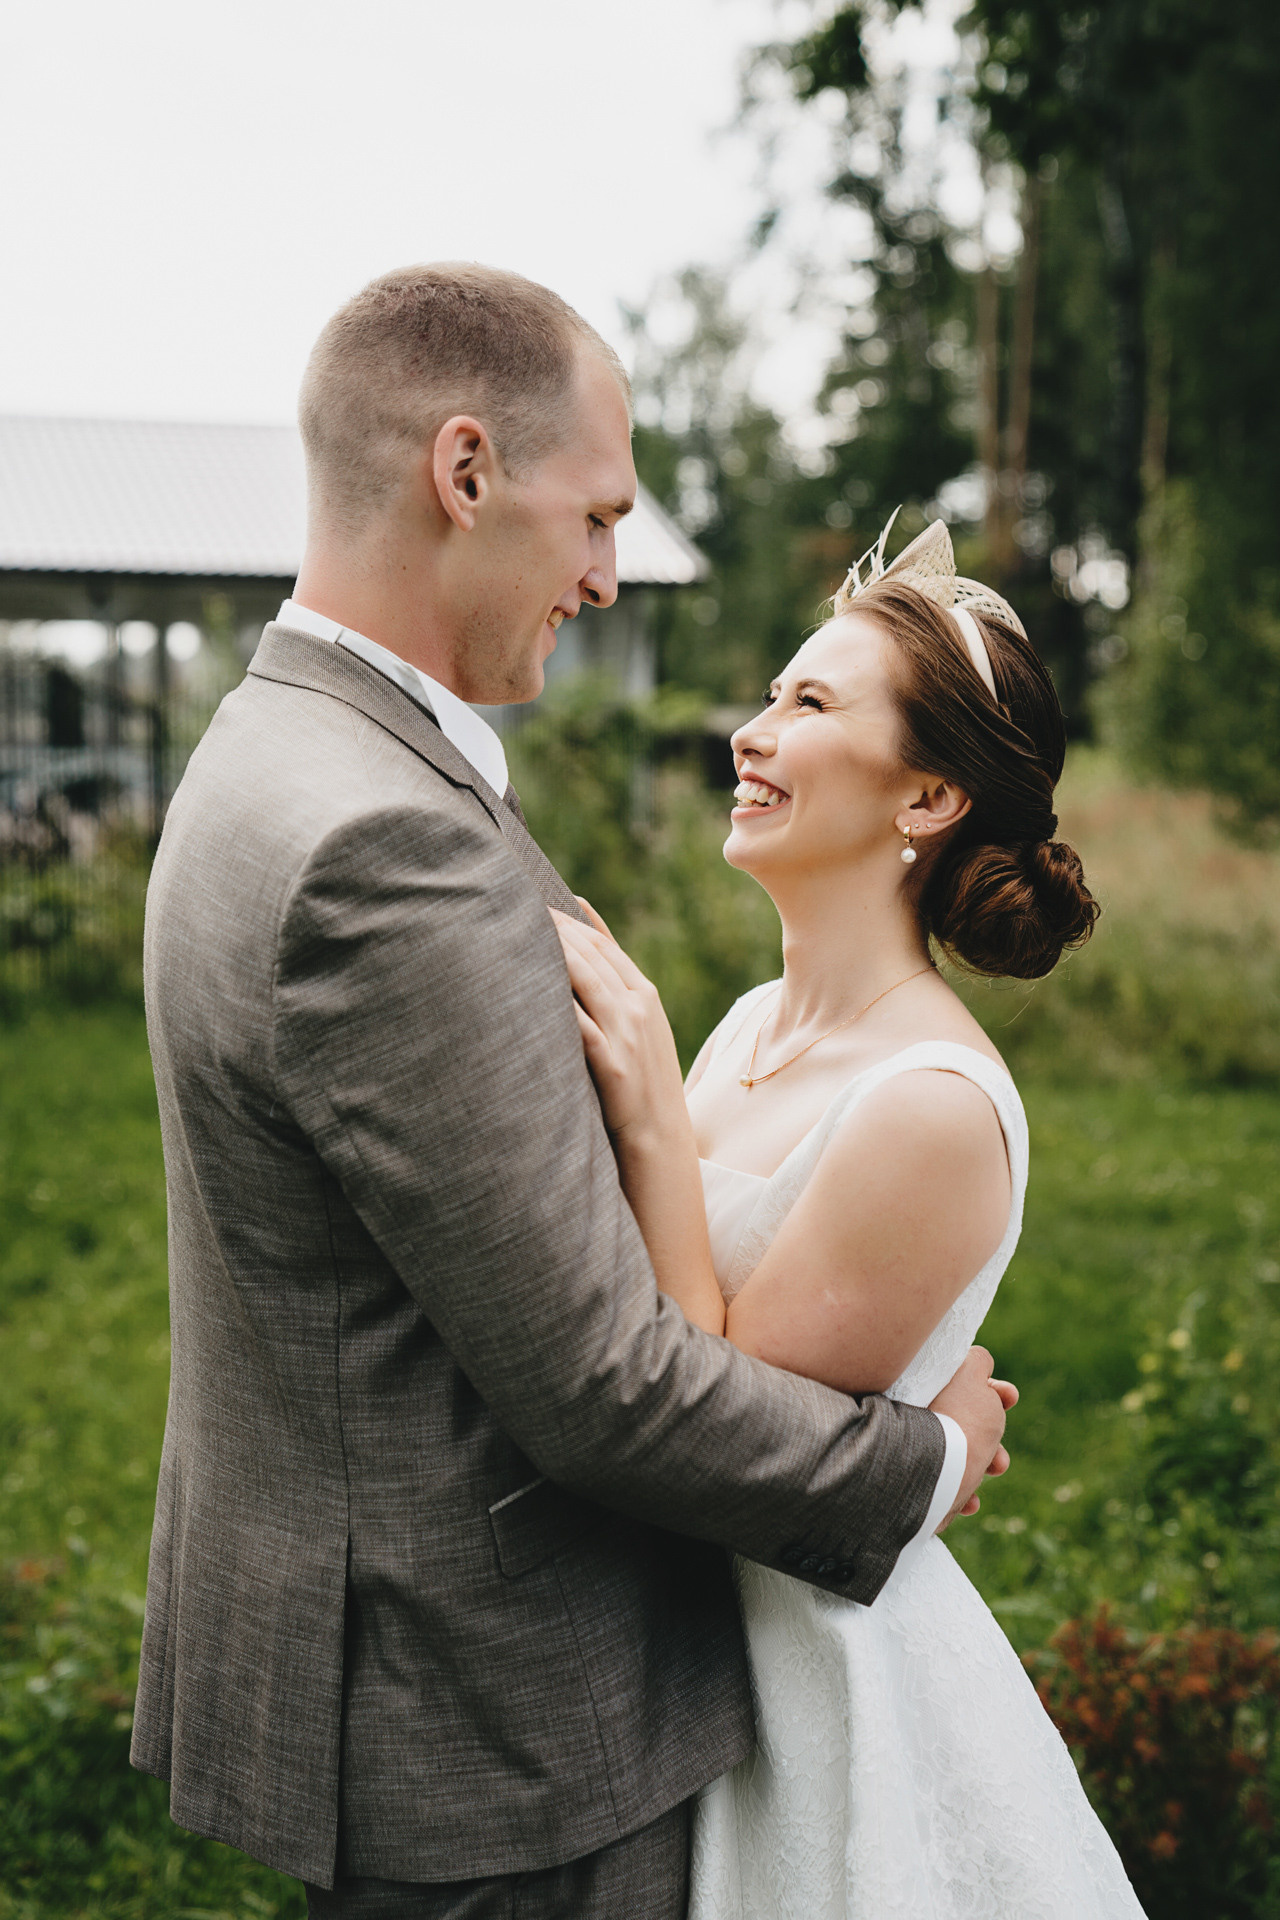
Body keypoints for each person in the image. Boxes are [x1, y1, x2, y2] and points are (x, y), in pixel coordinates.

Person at [129, 267, 1012, 1920]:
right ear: (464, 474)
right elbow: (609, 1389)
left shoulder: (268, 750)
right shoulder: (382, 845)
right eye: (595, 516)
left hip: (408, 1671)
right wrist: (931, 1463)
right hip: (499, 1729)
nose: (608, 576)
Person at [554, 517, 1148, 1917]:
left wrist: (643, 1104)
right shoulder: (752, 1022)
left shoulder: (931, 1100)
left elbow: (705, 1413)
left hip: (820, 1699)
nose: (753, 735)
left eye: (809, 704)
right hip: (688, 1668)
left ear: (926, 798)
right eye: (771, 694)